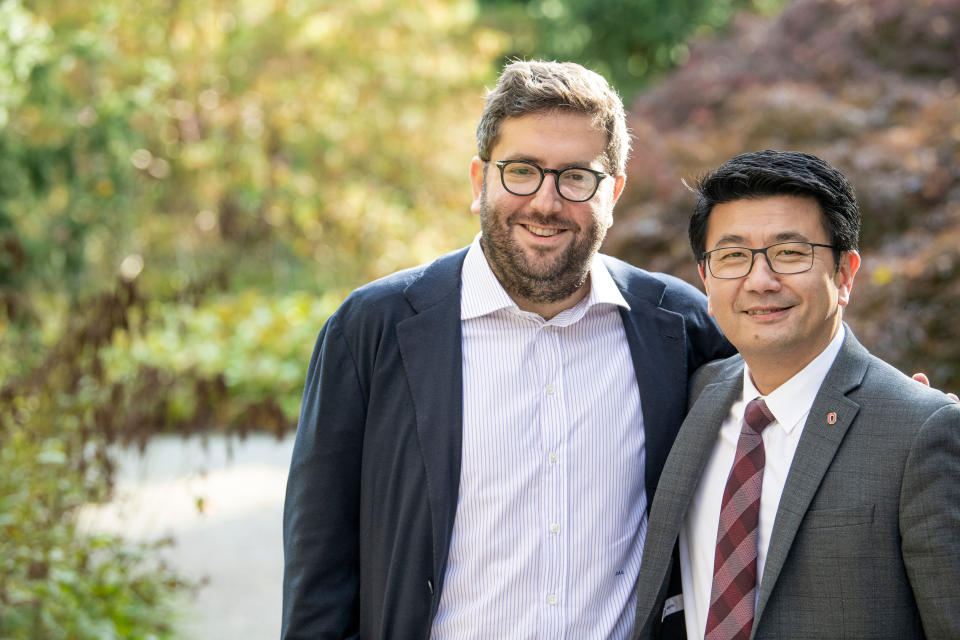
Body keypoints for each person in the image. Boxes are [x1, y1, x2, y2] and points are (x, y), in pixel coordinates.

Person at [281, 60, 735, 639]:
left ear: (613, 192)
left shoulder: (679, 327)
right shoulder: (372, 329)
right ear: (479, 181)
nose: (546, 203)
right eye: (522, 171)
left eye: (576, 177)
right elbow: (319, 561)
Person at [632, 150, 960, 640]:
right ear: (705, 278)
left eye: (790, 252)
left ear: (845, 274)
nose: (760, 281)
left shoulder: (920, 429)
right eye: (732, 256)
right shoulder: (696, 394)